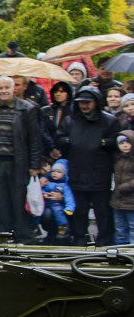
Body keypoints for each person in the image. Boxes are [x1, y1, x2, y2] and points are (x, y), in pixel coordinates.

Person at [54, 84, 119, 245]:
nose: (84, 105)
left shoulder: (109, 121)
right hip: (78, 172)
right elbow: (60, 138)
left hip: (100, 174)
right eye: (81, 102)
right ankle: (79, 238)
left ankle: (104, 240)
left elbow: (117, 141)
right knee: (79, 210)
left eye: (88, 102)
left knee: (102, 211)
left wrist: (103, 142)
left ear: (96, 102)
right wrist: (71, 141)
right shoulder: (70, 120)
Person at [0, 76, 43, 243]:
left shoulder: (26, 109)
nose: (3, 91)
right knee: (0, 201)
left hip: (19, 161)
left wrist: (34, 164)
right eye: (0, 88)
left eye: (6, 88)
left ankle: (23, 235)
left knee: (18, 200)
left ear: (13, 89)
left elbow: (35, 139)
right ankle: (4, 234)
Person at [39, 160, 75, 244]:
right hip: (48, 204)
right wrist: (43, 192)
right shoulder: (46, 181)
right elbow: (41, 191)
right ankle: (50, 234)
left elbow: (69, 197)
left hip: (62, 207)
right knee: (47, 213)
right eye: (53, 171)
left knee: (59, 212)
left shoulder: (65, 184)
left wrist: (68, 206)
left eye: (58, 172)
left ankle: (66, 231)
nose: (55, 173)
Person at [110, 131, 134, 245]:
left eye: (128, 142)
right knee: (120, 228)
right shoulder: (118, 159)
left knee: (132, 227)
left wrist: (125, 187)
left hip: (131, 202)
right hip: (118, 200)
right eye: (121, 143)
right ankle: (120, 250)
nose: (125, 145)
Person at [42, 82, 73, 158]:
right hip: (48, 150)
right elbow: (43, 130)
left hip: (68, 151)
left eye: (62, 91)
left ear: (68, 93)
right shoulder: (46, 110)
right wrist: (52, 147)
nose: (58, 94)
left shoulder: (74, 111)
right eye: (56, 91)